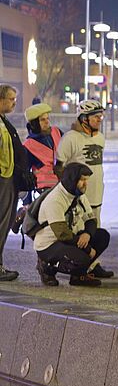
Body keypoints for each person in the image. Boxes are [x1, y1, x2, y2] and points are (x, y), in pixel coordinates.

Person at [33, 162, 111, 287]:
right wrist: (87, 248)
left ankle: (78, 276)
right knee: (82, 259)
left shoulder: (78, 194)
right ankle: (47, 267)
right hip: (49, 244)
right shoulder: (55, 199)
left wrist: (87, 234)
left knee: (102, 236)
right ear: (72, 180)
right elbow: (62, 234)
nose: (86, 184)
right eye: (82, 180)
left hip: (68, 238)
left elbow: (91, 220)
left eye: (87, 180)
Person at [55, 99, 107, 227]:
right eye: (96, 117)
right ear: (84, 118)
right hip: (78, 199)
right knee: (80, 233)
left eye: (101, 116)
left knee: (95, 231)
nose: (100, 120)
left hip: (97, 196)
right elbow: (59, 168)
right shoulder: (70, 138)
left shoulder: (100, 137)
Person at [0, 85, 31, 282]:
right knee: (2, 222)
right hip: (3, 179)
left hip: (9, 178)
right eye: (11, 99)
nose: (14, 103)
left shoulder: (4, 121)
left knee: (5, 222)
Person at [22, 103, 61, 192]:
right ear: (34, 123)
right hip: (44, 189)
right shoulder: (28, 145)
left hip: (62, 184)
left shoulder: (56, 132)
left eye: (47, 118)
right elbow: (25, 173)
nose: (47, 122)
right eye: (42, 120)